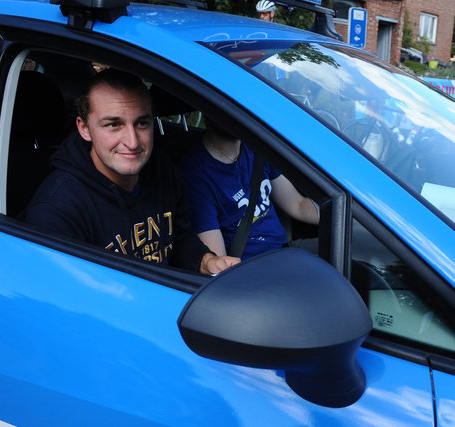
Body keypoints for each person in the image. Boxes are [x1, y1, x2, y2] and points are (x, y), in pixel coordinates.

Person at [23, 69, 239, 275]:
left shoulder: (160, 169)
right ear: (84, 128)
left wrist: (206, 261)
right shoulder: (55, 212)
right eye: (113, 125)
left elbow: (179, 237)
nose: (132, 142)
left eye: (142, 123)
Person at [178, 120, 319, 260]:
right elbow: (219, 262)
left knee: (340, 248)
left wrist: (338, 217)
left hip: (286, 250)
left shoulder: (256, 147)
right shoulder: (195, 175)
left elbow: (298, 205)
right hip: (252, 268)